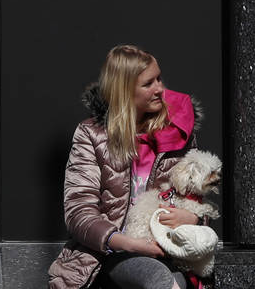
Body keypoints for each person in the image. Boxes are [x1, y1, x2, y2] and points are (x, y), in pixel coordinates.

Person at [48, 45, 206, 289]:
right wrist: (127, 243)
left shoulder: (179, 132)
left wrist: (193, 217)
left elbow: (197, 199)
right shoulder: (91, 135)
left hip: (170, 250)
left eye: (159, 78)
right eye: (148, 84)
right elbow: (78, 212)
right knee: (159, 279)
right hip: (108, 254)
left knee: (174, 281)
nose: (160, 89)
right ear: (124, 91)